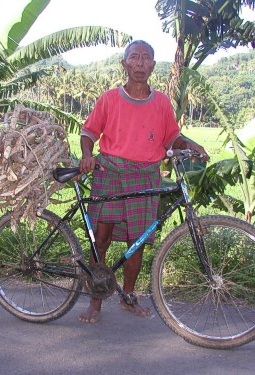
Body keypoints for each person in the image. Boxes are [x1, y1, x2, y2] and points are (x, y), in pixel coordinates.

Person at [78, 40, 208, 323]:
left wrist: (193, 144)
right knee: (100, 239)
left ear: (152, 65)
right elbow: (88, 132)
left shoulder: (160, 102)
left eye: (145, 58)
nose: (139, 63)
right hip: (110, 172)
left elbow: (173, 137)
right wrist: (87, 155)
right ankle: (95, 302)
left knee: (136, 243)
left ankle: (128, 296)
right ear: (124, 64)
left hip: (145, 177)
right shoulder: (110, 99)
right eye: (133, 58)